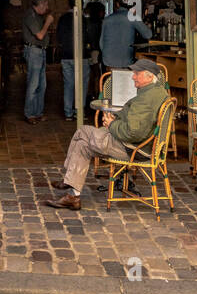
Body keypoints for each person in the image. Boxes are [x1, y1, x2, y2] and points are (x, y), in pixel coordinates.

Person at [42, 58, 168, 210]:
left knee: (83, 131)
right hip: (141, 146)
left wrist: (111, 124)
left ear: (149, 77)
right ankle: (73, 195)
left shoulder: (145, 100)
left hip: (132, 149)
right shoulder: (157, 92)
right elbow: (136, 120)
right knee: (83, 144)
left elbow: (133, 133)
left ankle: (69, 181)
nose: (133, 76)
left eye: (137, 73)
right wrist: (116, 117)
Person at [21, 0, 54, 124]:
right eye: (46, 5)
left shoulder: (38, 16)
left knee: (42, 85)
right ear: (40, 4)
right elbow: (40, 35)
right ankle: (29, 114)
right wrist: (48, 22)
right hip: (34, 51)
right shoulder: (30, 16)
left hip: (40, 51)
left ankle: (38, 113)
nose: (47, 7)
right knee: (33, 84)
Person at [99, 0, 152, 70]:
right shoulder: (132, 17)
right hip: (125, 60)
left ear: (117, 4)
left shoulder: (107, 19)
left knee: (110, 80)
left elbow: (101, 43)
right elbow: (148, 35)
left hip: (108, 61)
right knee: (125, 80)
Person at [56, 7, 87, 121]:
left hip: (66, 55)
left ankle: (68, 112)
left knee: (68, 84)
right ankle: (79, 112)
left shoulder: (62, 19)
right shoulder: (82, 18)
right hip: (81, 56)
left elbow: (58, 37)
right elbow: (87, 36)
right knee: (81, 85)